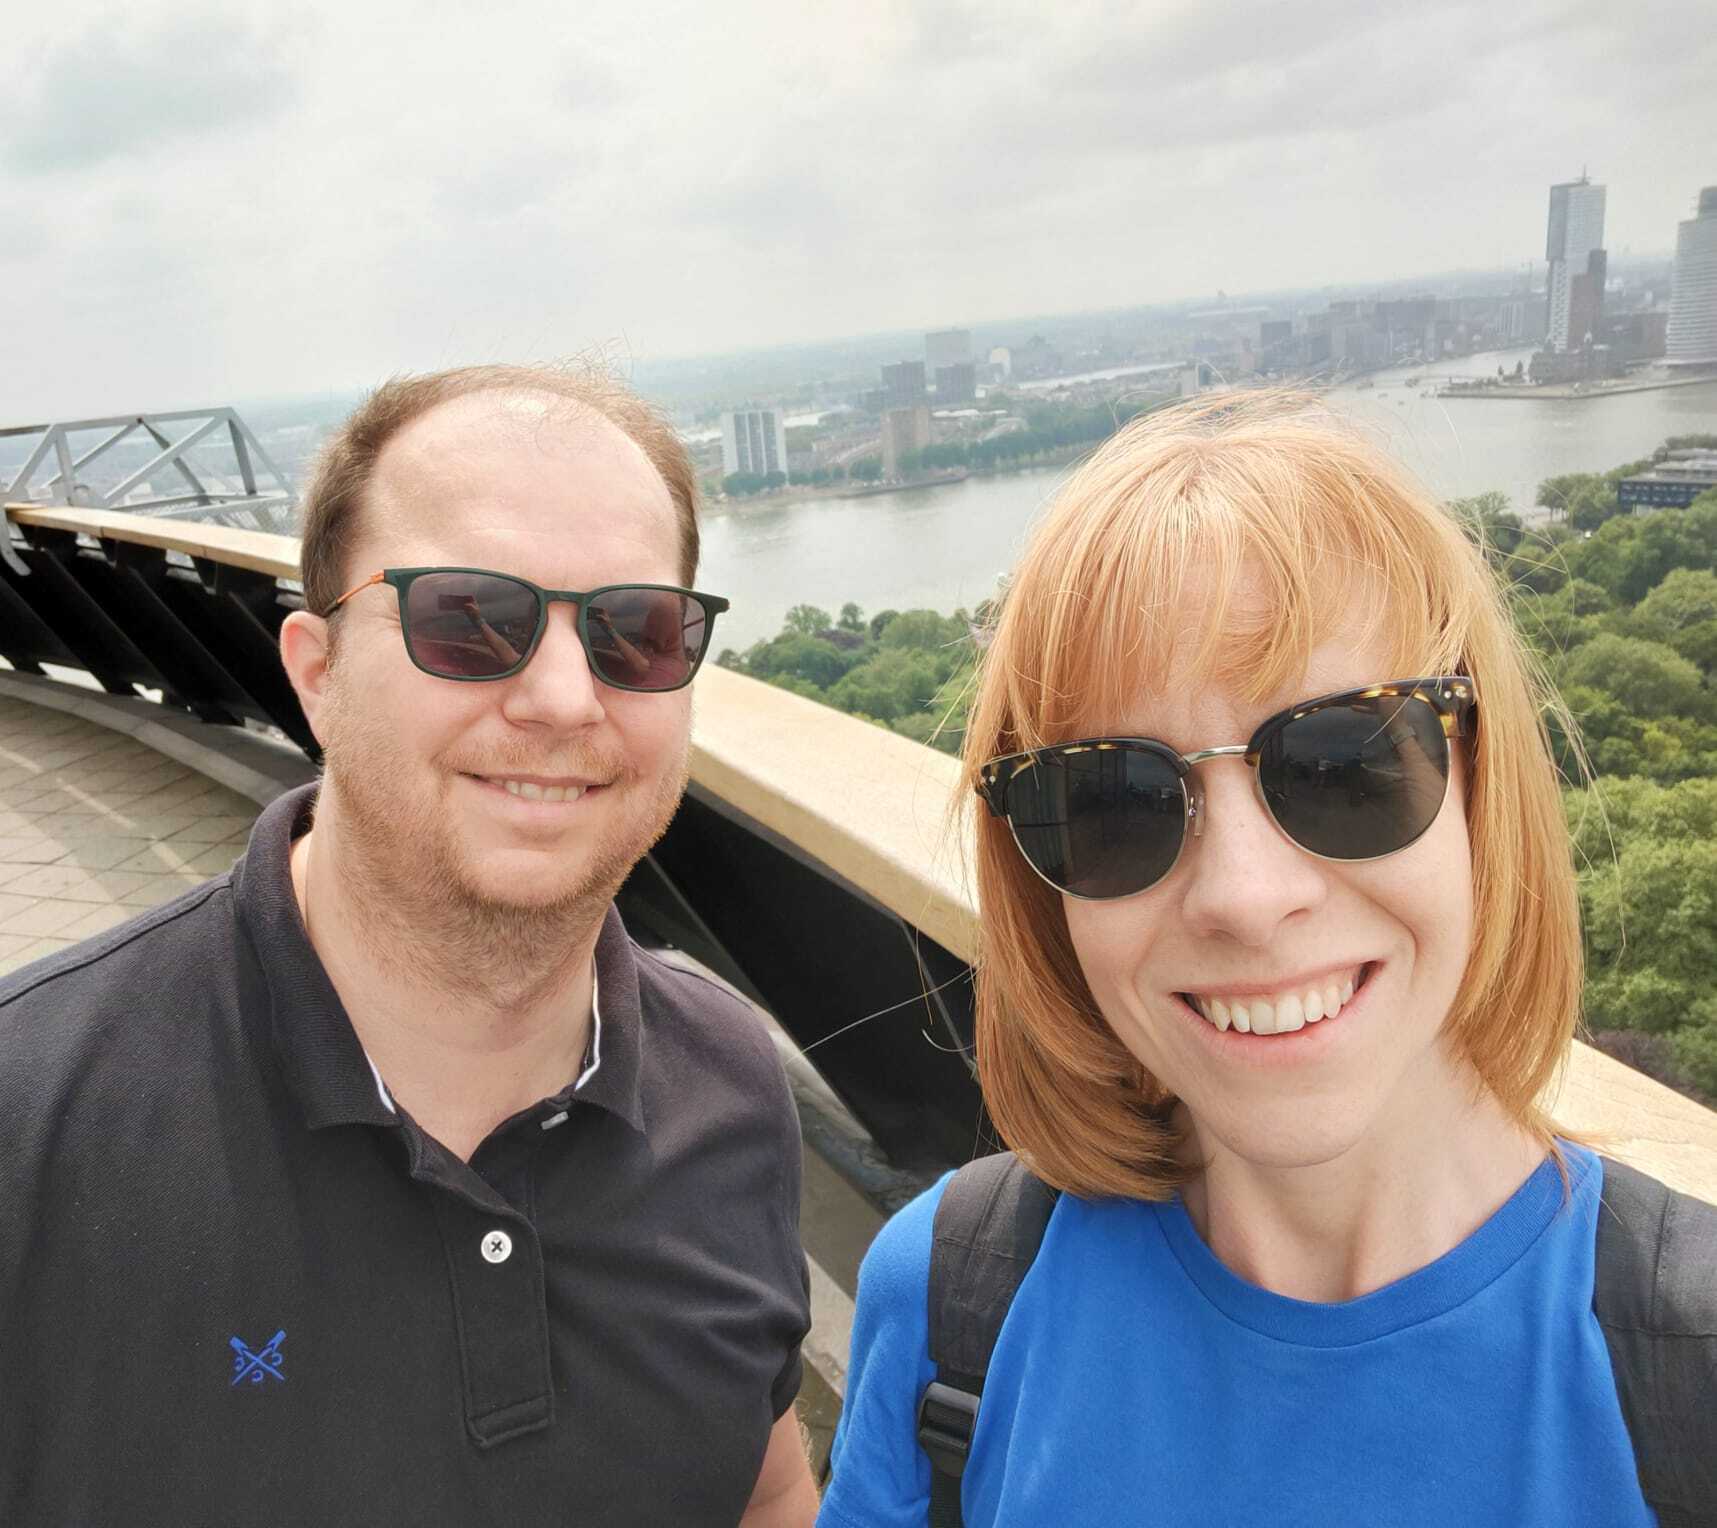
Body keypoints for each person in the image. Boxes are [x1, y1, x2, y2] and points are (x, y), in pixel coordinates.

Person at [819, 393, 1716, 1527]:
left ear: (1485, 793)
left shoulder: (1686, 1368)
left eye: (1344, 762)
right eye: (1113, 801)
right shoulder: (954, 1303)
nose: (1246, 896)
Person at [0, 364, 818, 1527]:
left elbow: (764, 1487)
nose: (563, 698)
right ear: (316, 672)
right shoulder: (31, 1123)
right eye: (471, 620)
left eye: (633, 630)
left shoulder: (729, 1089)